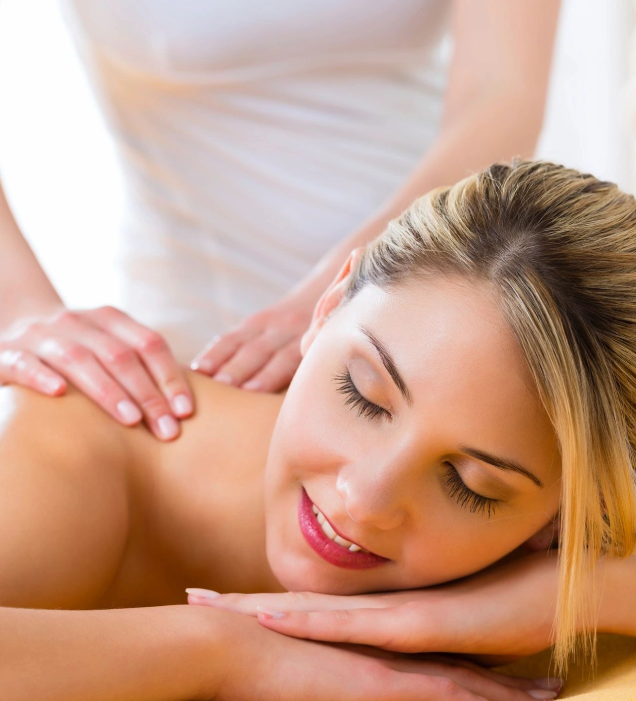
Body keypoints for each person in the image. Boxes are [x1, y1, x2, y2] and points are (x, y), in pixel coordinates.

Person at [2, 159, 635, 700]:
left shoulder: (552, 571)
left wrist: (576, 596)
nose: (364, 499)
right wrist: (225, 652)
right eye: (362, 396)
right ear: (329, 306)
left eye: (469, 484)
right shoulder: (69, 452)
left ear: (563, 519)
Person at [0, 1, 561, 442]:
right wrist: (21, 308)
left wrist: (357, 285)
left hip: (430, 299)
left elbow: (501, 93)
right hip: (192, 337)